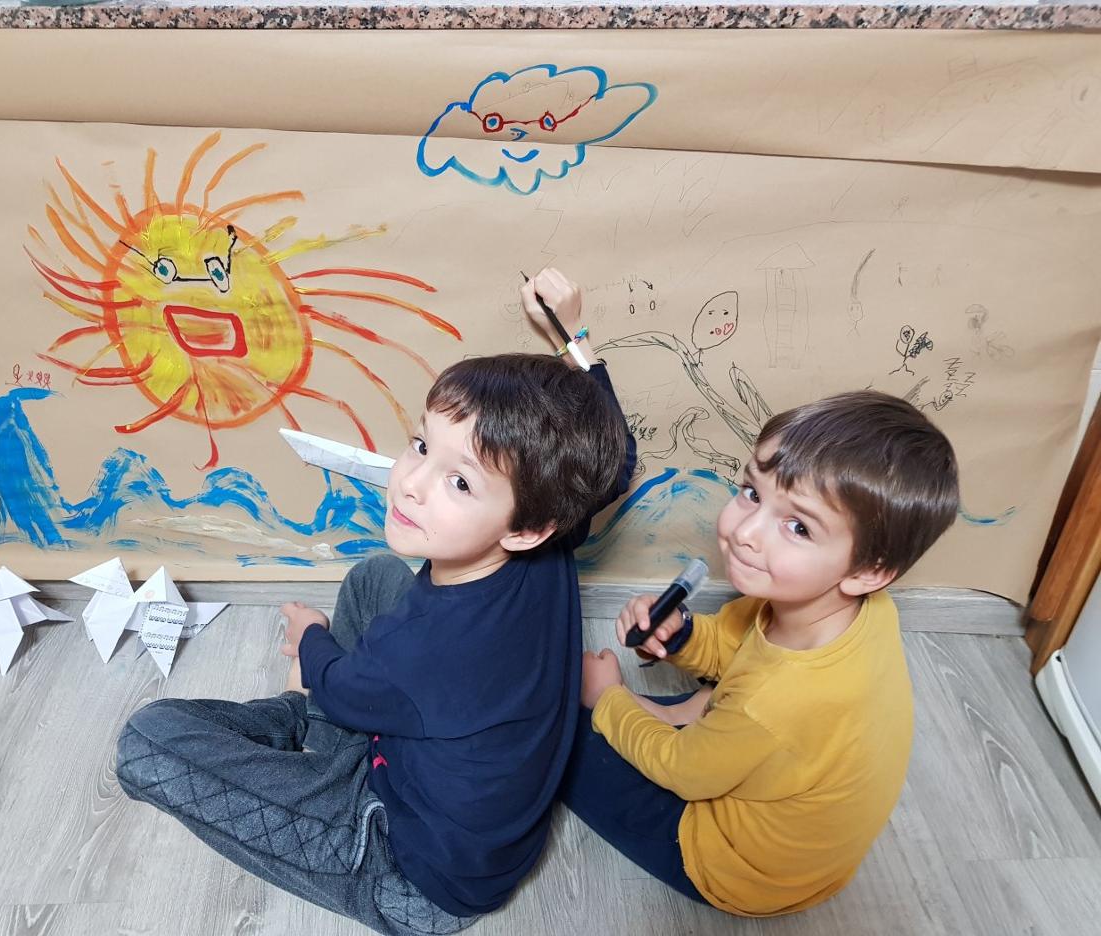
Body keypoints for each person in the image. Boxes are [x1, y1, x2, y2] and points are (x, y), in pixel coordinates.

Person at [115, 268, 635, 934]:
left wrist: (310, 643)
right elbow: (615, 459)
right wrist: (571, 331)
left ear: (527, 526)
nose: (412, 484)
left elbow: (345, 683)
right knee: (374, 577)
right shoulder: (553, 524)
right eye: (422, 445)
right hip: (470, 807)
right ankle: (321, 734)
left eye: (460, 483)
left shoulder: (426, 646)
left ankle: (300, 721)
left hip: (406, 872)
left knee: (146, 740)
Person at [561, 390, 959, 917]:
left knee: (552, 738)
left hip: (736, 868)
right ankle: (674, 714)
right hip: (787, 800)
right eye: (752, 492)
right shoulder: (859, 608)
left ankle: (650, 716)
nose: (744, 533)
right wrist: (681, 637)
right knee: (702, 714)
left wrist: (607, 697)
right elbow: (739, 645)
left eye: (798, 527)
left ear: (869, 570)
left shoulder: (774, 703)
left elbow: (684, 770)